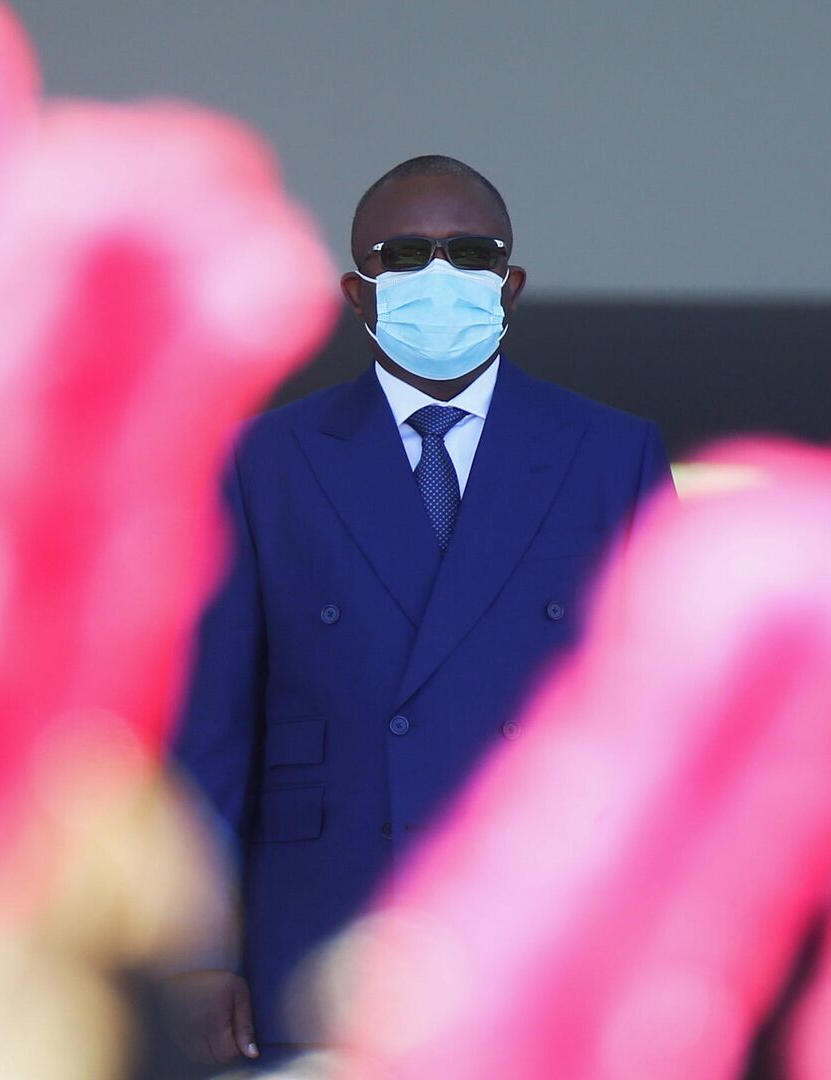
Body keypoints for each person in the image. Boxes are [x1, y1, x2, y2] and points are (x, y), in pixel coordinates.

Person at [167, 155, 672, 1063]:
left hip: (547, 912)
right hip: (327, 914)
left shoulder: (610, 452)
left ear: (510, 283)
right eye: (404, 255)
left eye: (469, 252)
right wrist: (201, 952)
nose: (440, 275)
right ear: (358, 293)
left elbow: (662, 717)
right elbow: (211, 727)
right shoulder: (264, 460)